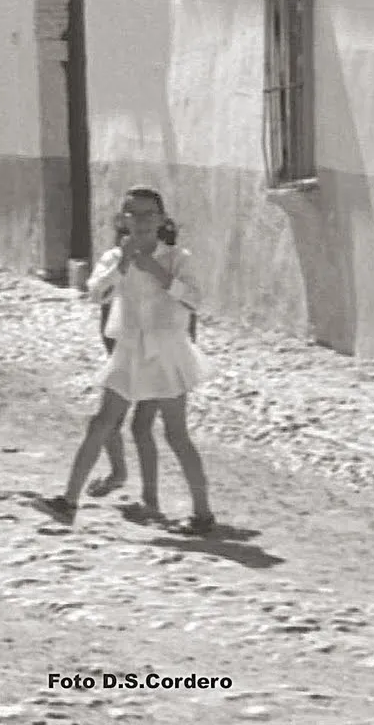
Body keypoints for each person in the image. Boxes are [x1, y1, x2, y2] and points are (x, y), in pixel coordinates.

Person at [42, 186, 215, 534]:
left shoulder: (178, 257)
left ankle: (203, 513)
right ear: (123, 220)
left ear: (161, 219)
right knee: (101, 423)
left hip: (166, 350)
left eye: (149, 214)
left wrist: (156, 270)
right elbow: (96, 293)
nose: (141, 221)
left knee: (176, 434)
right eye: (133, 214)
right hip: (130, 349)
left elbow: (194, 298)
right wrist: (122, 265)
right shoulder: (114, 258)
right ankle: (68, 500)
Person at [89, 218, 196, 499]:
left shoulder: (169, 265)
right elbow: (103, 311)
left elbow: (188, 313)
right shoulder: (118, 270)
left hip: (157, 357)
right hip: (126, 355)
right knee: (110, 423)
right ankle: (120, 473)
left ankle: (150, 496)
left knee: (140, 426)